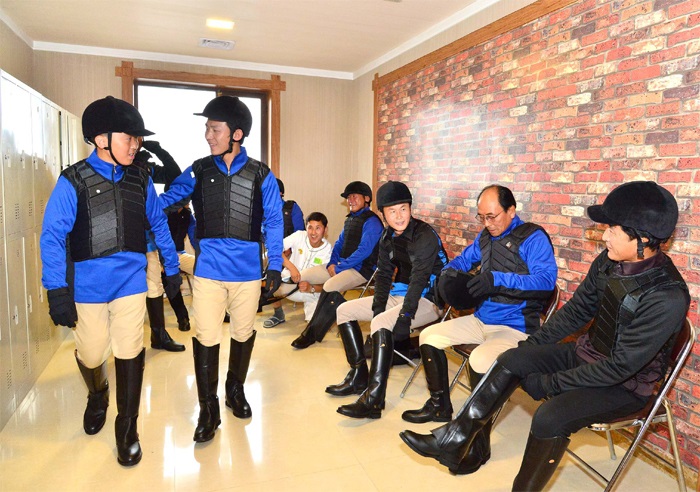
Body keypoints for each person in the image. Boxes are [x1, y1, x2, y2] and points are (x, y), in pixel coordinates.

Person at [400, 181, 690, 491]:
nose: (604, 236)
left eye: (612, 230)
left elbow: (621, 367)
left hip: (625, 385)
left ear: (642, 238)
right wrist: (529, 349)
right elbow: (575, 312)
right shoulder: (609, 262)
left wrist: (550, 384)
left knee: (549, 417)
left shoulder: (667, 295)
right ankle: (456, 439)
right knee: (512, 358)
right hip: (587, 354)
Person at [40, 96, 182, 466]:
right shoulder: (73, 181)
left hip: (131, 281)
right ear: (101, 139)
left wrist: (171, 269)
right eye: (129, 137)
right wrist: (56, 289)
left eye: (138, 138)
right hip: (87, 286)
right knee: (91, 353)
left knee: (129, 349)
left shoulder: (141, 178)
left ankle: (127, 425)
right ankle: (97, 393)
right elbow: (52, 236)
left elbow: (159, 224)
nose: (136, 144)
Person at [401, 184, 557, 471]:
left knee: (480, 359)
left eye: (492, 216)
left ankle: (477, 447)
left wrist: (497, 279)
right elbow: (464, 259)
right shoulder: (485, 237)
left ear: (511, 211)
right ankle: (439, 406)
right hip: (481, 319)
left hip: (515, 327)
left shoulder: (533, 237)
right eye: (482, 217)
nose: (487, 223)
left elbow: (546, 281)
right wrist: (448, 272)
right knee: (429, 336)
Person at [159, 95, 284, 443]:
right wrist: (135, 195)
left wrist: (275, 264)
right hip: (209, 274)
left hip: (247, 275)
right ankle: (207, 409)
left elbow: (274, 220)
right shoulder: (198, 170)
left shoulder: (261, 174)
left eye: (215, 129)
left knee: (242, 334)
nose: (208, 135)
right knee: (206, 337)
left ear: (236, 134)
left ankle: (235, 390)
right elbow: (167, 200)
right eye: (207, 128)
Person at [329, 181, 448, 419]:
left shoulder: (424, 235)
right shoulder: (387, 236)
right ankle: (358, 376)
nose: (399, 216)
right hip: (401, 294)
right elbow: (383, 275)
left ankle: (374, 400)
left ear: (411, 208)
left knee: (381, 323)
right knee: (344, 310)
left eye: (403, 209)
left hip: (429, 299)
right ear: (382, 214)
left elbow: (419, 279)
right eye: (392, 211)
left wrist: (405, 316)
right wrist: (377, 308)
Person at [290, 181, 383, 349]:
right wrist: (332, 263)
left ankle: (311, 334)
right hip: (343, 265)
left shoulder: (372, 222)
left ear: (367, 198)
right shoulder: (350, 220)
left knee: (330, 286)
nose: (350, 200)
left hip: (361, 270)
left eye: (354, 196)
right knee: (303, 275)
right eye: (348, 197)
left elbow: (364, 251)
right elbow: (339, 244)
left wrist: (339, 268)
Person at [263, 212, 332, 328]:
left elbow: (327, 285)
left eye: (318, 228)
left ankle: (314, 321)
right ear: (306, 228)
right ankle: (278, 314)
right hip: (288, 282)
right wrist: (292, 267)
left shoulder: (328, 251)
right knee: (271, 280)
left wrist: (311, 288)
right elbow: (275, 249)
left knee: (315, 328)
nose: (313, 233)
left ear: (325, 230)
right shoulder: (299, 235)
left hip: (310, 291)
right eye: (310, 227)